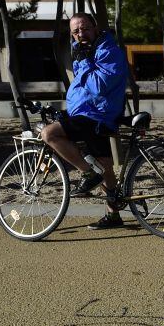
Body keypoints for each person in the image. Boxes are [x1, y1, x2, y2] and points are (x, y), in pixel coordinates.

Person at [40, 12, 130, 230]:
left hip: (97, 115)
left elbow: (99, 86)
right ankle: (113, 216)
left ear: (95, 27)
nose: (81, 34)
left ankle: (87, 173)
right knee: (105, 167)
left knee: (49, 134)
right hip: (87, 114)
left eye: (85, 28)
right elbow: (83, 89)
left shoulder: (108, 51)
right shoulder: (86, 52)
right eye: (76, 31)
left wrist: (85, 61)